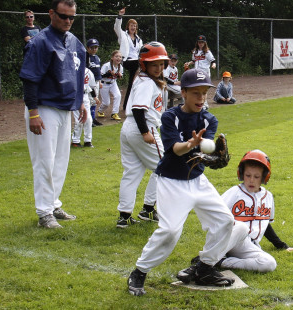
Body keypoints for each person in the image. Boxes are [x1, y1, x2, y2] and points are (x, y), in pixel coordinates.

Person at [127, 69, 239, 296]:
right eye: (195, 93)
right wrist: (191, 144)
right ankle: (139, 272)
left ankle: (204, 267)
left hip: (197, 180)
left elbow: (205, 150)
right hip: (172, 181)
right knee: (169, 231)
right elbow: (176, 150)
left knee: (225, 221)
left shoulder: (209, 119)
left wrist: (214, 158)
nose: (201, 98)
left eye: (204, 93)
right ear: (183, 93)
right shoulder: (170, 117)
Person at [177, 150, 293, 282]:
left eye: (256, 176)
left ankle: (221, 262)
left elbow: (265, 224)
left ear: (265, 177)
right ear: (241, 174)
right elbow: (215, 215)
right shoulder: (235, 192)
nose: (251, 180)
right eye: (248, 175)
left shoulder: (268, 197)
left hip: (247, 246)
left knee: (269, 263)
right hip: (229, 238)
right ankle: (206, 262)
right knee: (241, 227)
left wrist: (282, 246)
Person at [19, 0, 86, 229]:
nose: (67, 20)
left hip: (65, 108)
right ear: (51, 14)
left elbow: (78, 75)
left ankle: (53, 204)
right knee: (44, 161)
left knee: (60, 161)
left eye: (71, 17)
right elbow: (30, 79)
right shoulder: (40, 42)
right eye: (63, 15)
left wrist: (80, 103)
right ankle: (44, 212)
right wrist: (33, 112)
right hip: (44, 107)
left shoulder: (73, 41)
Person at [116, 42, 169, 228]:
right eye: (154, 64)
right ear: (144, 65)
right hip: (142, 127)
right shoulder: (147, 83)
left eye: (161, 64)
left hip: (128, 129)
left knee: (132, 173)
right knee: (164, 168)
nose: (159, 68)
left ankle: (124, 216)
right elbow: (139, 110)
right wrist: (145, 132)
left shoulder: (143, 80)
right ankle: (147, 209)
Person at [114, 7, 143, 111]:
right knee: (136, 67)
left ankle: (127, 105)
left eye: (135, 26)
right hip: (127, 61)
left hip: (137, 63)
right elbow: (117, 27)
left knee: (132, 83)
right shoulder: (123, 35)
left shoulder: (139, 39)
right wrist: (120, 16)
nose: (133, 27)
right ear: (128, 26)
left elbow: (141, 52)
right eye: (131, 25)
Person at [184, 35, 216, 110]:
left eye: (202, 42)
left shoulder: (207, 52)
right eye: (199, 42)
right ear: (197, 43)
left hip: (205, 72)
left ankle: (205, 104)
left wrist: (213, 65)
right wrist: (189, 63)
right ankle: (202, 104)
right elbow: (194, 60)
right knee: (198, 88)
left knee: (204, 88)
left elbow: (213, 61)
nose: (200, 44)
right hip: (197, 72)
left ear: (205, 43)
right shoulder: (195, 51)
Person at [71, 68, 99, 148]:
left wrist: (94, 97)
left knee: (89, 119)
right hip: (75, 95)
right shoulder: (72, 69)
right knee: (79, 119)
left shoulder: (88, 71)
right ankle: (75, 141)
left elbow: (91, 86)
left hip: (85, 95)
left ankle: (88, 141)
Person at [97, 50, 123, 120]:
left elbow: (119, 77)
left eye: (120, 57)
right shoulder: (106, 65)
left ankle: (114, 113)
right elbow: (100, 76)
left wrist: (119, 76)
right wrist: (109, 74)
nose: (118, 58)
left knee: (118, 95)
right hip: (104, 83)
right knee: (106, 103)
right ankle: (100, 111)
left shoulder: (120, 67)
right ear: (112, 57)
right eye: (116, 56)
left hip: (113, 83)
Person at [85, 38, 103, 127]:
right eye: (92, 48)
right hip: (89, 82)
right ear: (87, 48)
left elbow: (98, 71)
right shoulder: (86, 57)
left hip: (96, 81)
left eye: (96, 47)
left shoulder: (97, 58)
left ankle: (93, 118)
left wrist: (100, 81)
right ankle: (89, 119)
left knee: (94, 101)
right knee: (91, 100)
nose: (94, 49)